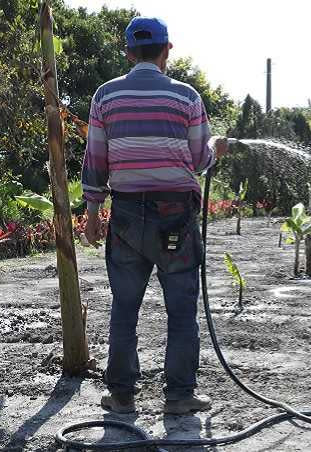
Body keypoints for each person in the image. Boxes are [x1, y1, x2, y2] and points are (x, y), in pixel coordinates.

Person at [81, 16, 228, 415]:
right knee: (181, 310)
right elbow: (199, 161)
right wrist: (216, 149)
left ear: (128, 52)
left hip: (127, 215)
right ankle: (179, 396)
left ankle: (123, 396)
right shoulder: (187, 97)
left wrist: (92, 213)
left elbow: (96, 159)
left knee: (125, 307)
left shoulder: (106, 96)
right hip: (176, 216)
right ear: (167, 50)